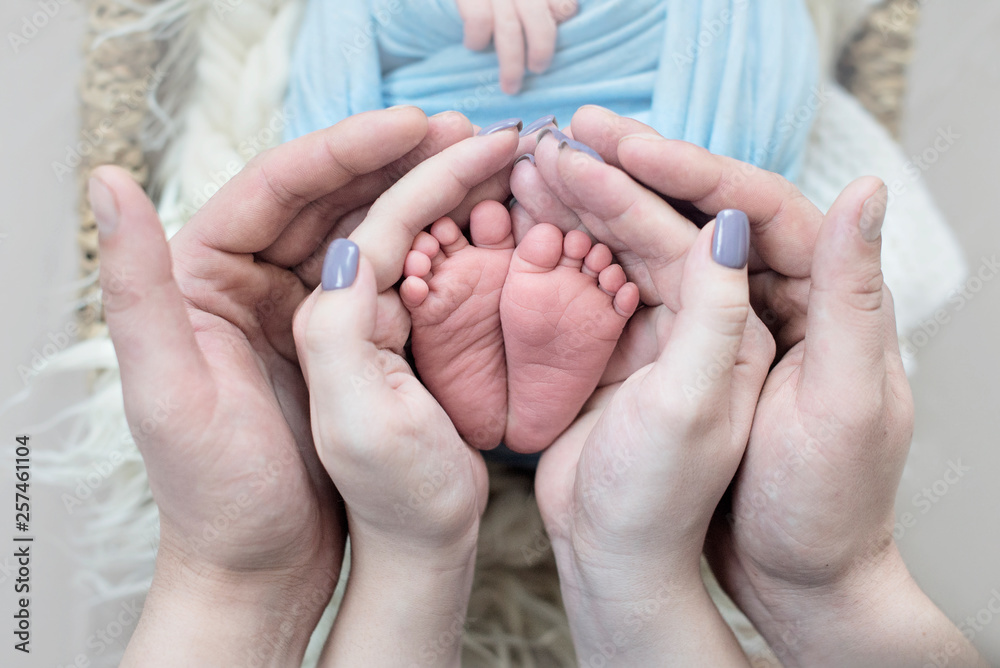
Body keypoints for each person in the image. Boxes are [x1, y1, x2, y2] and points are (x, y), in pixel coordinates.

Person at [91, 105, 986, 666]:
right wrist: (831, 586)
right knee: (671, 198)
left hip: (493, 176)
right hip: (611, 204)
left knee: (377, 188)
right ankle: (535, 382)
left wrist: (240, 583)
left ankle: (457, 392)